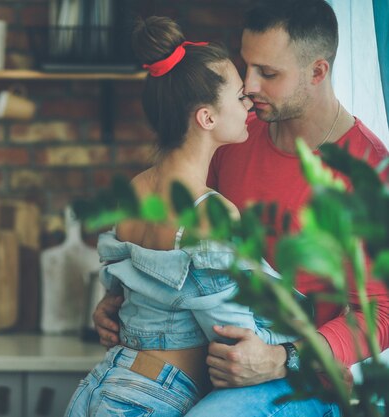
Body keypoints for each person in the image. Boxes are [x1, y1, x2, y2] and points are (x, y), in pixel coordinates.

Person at [93, 1, 389, 416]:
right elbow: (182, 251)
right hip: (210, 367)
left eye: (268, 73)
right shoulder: (232, 135)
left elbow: (379, 315)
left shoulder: (368, 170)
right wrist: (125, 295)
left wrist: (285, 357)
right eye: (246, 65)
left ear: (318, 72)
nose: (249, 85)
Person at [64, 15, 299, 417]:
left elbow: (120, 291)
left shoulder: (134, 190)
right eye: (241, 96)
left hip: (100, 386)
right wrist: (300, 350)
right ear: (206, 118)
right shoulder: (209, 212)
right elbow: (234, 338)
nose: (250, 106)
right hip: (152, 400)